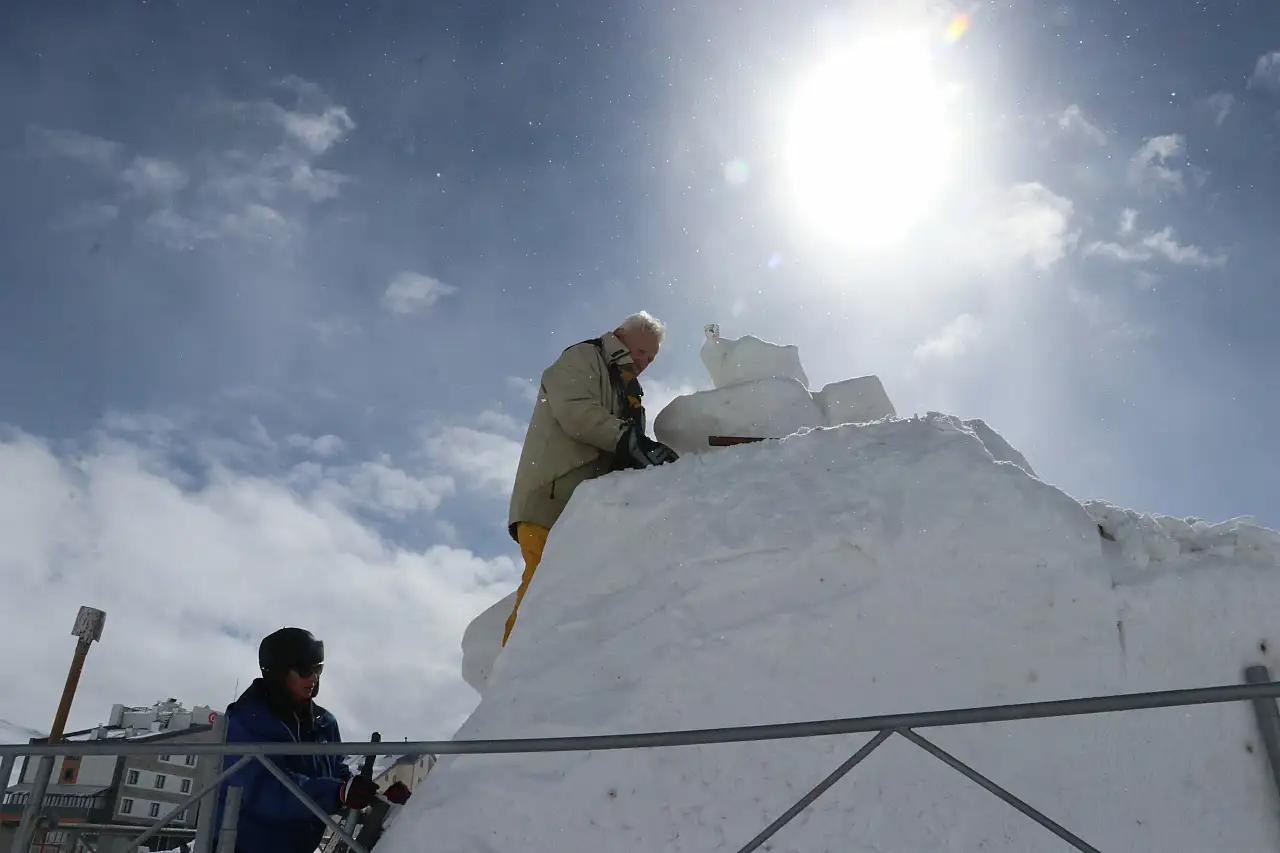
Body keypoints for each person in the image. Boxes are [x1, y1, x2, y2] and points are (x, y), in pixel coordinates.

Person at [503, 311, 679, 645]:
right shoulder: (585, 356)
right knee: (540, 596)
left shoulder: (629, 392)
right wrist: (630, 441)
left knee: (572, 604)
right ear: (620, 335)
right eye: (641, 351)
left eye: (652, 358)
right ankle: (512, 684)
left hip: (585, 508)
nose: (645, 361)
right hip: (552, 498)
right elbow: (575, 410)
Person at [216, 628, 379, 853]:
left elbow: (337, 773)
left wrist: (370, 794)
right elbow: (265, 790)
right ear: (279, 672)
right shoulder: (248, 721)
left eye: (318, 668)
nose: (314, 677)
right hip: (245, 845)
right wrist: (335, 793)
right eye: (305, 670)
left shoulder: (323, 723)